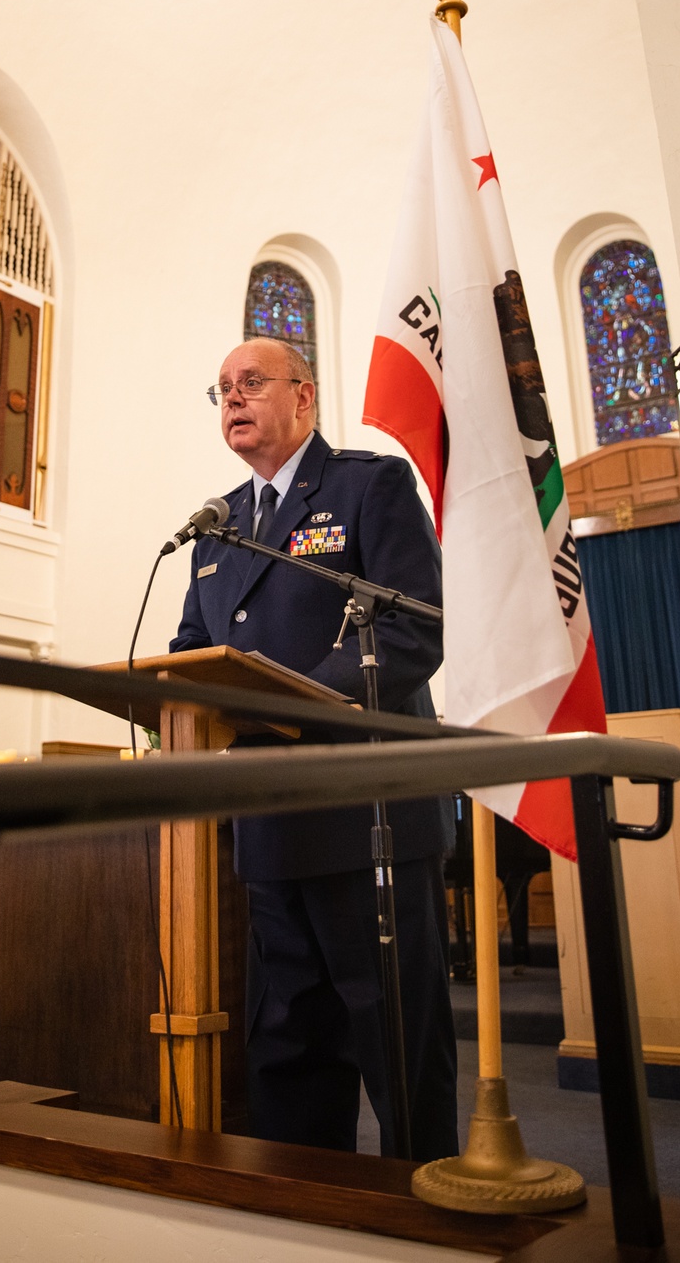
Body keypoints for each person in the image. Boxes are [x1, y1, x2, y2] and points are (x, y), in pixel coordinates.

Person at [170, 337, 457, 1159]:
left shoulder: (369, 486)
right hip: (269, 825)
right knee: (287, 1050)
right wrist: (172, 703)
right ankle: (307, 1219)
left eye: (251, 382)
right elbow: (193, 649)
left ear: (305, 397)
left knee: (395, 1044)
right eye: (222, 387)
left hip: (368, 818)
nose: (233, 397)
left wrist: (305, 702)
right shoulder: (217, 528)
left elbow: (414, 629)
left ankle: (422, 1212)